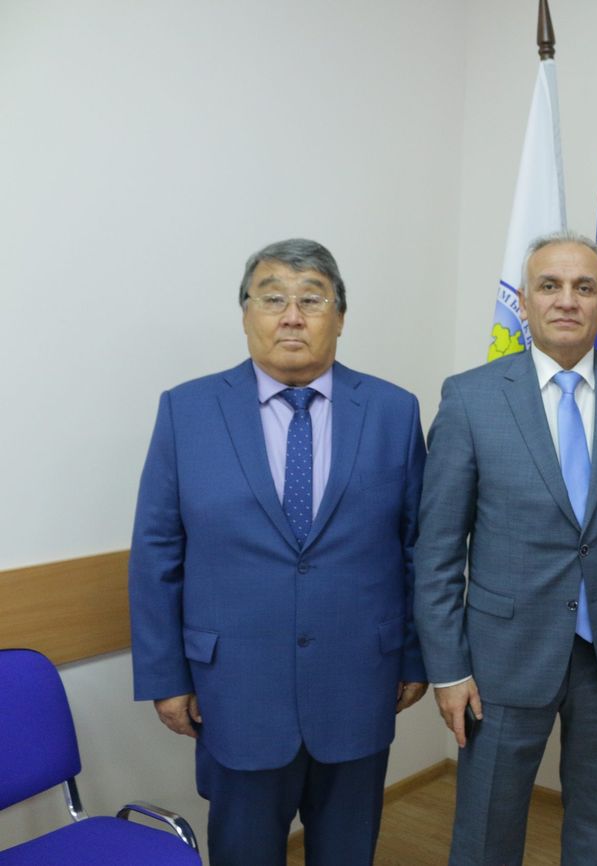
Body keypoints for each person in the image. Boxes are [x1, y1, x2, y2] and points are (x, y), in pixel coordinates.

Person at [128, 239, 428, 866]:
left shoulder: (394, 411)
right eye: (272, 299)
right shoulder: (187, 410)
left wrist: (414, 654)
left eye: (312, 300)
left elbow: (416, 548)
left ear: (340, 317)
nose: (292, 316)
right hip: (233, 693)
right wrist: (166, 676)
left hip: (359, 685)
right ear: (245, 313)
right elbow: (157, 554)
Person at [414, 231, 597, 865]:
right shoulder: (471, 396)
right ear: (525, 301)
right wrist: (449, 669)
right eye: (550, 286)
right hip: (502, 657)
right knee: (487, 827)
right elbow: (437, 550)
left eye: (584, 287)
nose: (567, 300)